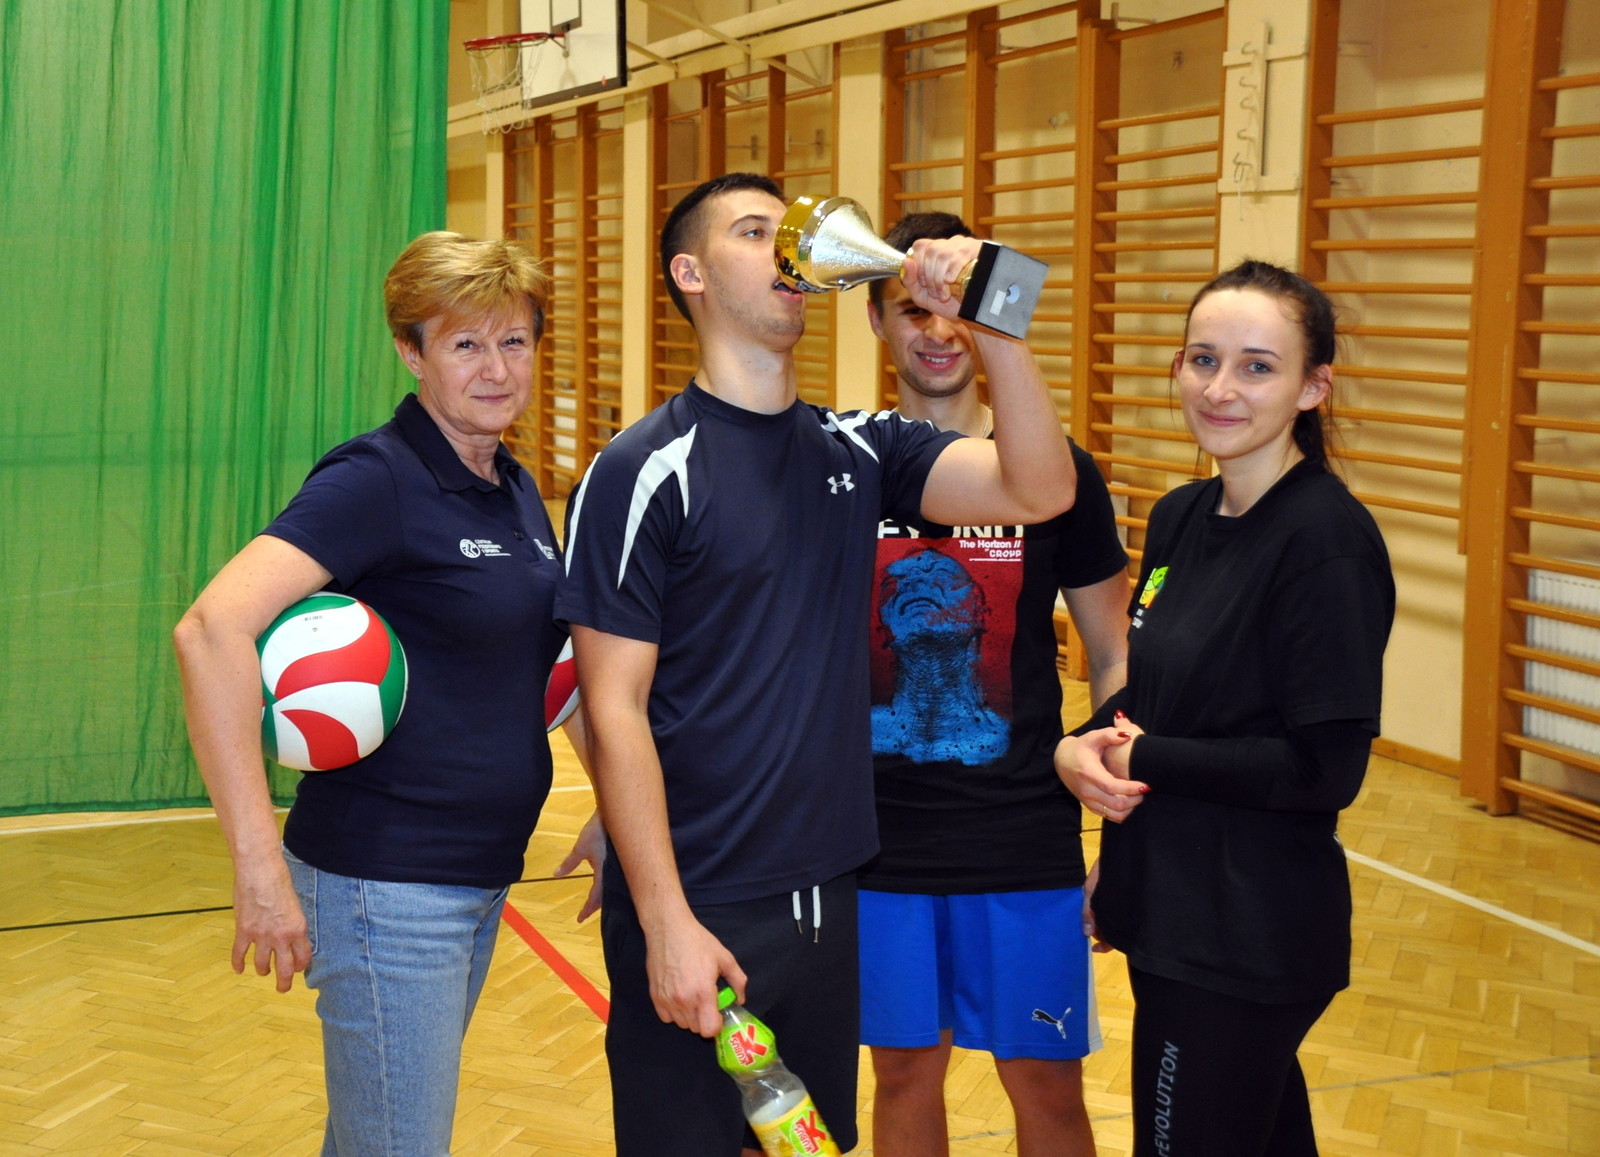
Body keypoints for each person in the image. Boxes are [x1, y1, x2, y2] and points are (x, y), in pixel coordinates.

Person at [555, 173, 1077, 1157]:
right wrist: (664, 920)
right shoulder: (641, 469)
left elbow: (1039, 489)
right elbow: (613, 706)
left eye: (789, 230)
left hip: (829, 898)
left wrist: (994, 318)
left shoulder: (860, 450)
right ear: (691, 274)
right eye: (755, 232)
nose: (787, 251)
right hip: (700, 901)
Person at [173, 231, 600, 1156]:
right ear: (412, 352)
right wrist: (256, 868)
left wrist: (612, 805)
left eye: (514, 341)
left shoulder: (511, 485)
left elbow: (540, 668)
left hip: (477, 876)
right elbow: (209, 631)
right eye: (465, 344)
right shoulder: (378, 478)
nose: (496, 369)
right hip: (386, 885)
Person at [1054, 260, 1395, 1157]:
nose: (1219, 388)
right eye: (1203, 359)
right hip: (1175, 908)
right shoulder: (1181, 515)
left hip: (1244, 940)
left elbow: (1324, 770)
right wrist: (1079, 747)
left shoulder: (1325, 542)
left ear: (1313, 387)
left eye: (1256, 366)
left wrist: (1139, 757)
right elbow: (1155, 699)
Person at [859, 211, 1130, 1157]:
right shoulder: (843, 470)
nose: (938, 332)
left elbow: (1114, 651)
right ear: (875, 321)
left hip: (1021, 836)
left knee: (1047, 1086)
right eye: (912, 311)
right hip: (878, 841)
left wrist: (1123, 824)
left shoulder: (1060, 477)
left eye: (958, 310)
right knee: (903, 1074)